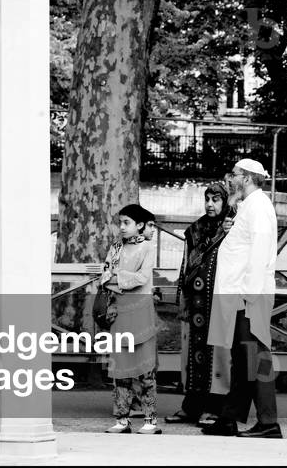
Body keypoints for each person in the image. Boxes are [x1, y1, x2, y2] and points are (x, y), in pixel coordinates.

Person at [203, 157, 282, 438]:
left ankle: (269, 422)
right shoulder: (247, 206)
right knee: (242, 357)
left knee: (255, 357)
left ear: (246, 178)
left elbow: (260, 253)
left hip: (249, 296)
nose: (229, 179)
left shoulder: (259, 206)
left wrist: (249, 295)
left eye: (234, 174)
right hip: (241, 296)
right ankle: (229, 417)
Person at [165, 181, 232, 425]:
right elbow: (186, 266)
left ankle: (215, 407)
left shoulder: (231, 228)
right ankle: (191, 406)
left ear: (225, 202)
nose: (210, 204)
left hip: (218, 302)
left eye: (216, 200)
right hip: (195, 304)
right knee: (192, 355)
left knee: (218, 357)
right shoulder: (195, 230)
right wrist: (181, 298)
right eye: (207, 199)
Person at [99, 203, 161, 435]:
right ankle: (122, 419)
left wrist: (116, 277)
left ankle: (150, 420)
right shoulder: (116, 248)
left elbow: (143, 278)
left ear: (140, 225)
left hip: (141, 313)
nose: (122, 227)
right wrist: (119, 278)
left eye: (127, 223)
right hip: (120, 313)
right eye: (120, 223)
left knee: (146, 369)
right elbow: (104, 277)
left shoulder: (147, 247)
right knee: (120, 368)